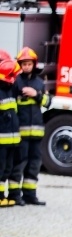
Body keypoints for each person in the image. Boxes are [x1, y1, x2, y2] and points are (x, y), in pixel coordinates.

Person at [9, 47, 49, 206]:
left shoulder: (39, 83)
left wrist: (36, 94)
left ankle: (30, 195)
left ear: (34, 64)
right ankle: (14, 195)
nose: (26, 67)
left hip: (37, 133)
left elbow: (48, 102)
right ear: (20, 65)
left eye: (29, 64)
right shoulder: (15, 82)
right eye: (24, 64)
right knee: (19, 164)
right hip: (21, 133)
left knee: (34, 164)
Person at [0, 50, 21, 207]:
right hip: (1, 141)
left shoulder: (9, 89)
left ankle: (3, 196)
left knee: (7, 169)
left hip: (12, 140)